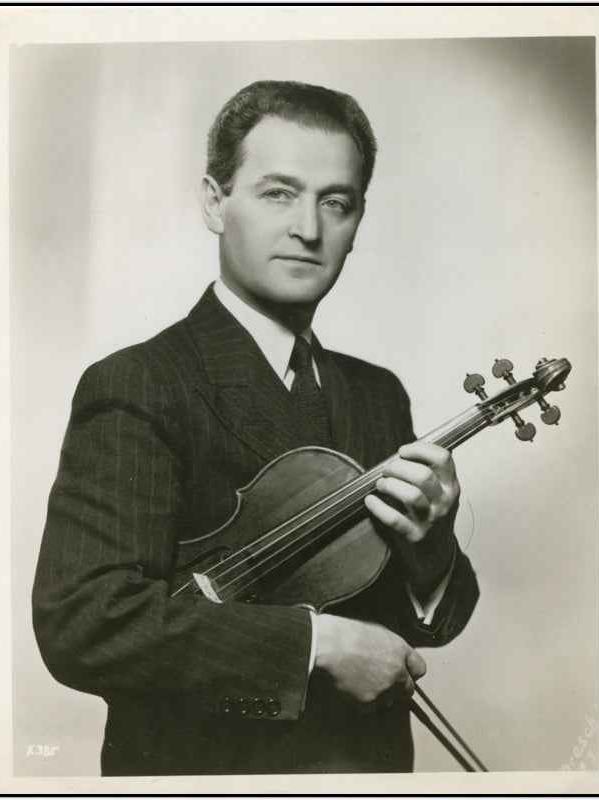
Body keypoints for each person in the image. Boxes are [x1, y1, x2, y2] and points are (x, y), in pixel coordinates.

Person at [32, 80, 479, 776]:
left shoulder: (376, 394)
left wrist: (432, 547)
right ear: (215, 202)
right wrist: (316, 647)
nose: (308, 228)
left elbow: (420, 622)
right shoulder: (141, 382)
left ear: (358, 221)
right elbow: (85, 622)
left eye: (336, 202)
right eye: (277, 193)